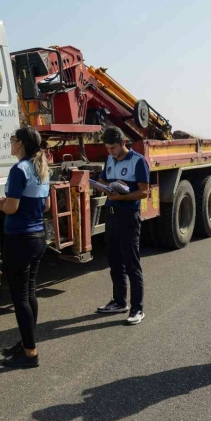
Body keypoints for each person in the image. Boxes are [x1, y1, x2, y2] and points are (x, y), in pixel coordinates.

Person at [0, 126, 51, 369]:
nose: (10, 142)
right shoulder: (41, 169)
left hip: (20, 238)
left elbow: (12, 208)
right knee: (29, 293)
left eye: (13, 139)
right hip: (37, 238)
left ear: (21, 144)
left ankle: (30, 354)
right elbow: (45, 206)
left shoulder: (19, 169)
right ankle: (28, 343)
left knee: (20, 298)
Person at [92, 126, 150, 325]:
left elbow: (144, 192)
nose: (111, 152)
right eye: (108, 148)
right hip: (112, 215)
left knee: (131, 264)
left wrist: (122, 196)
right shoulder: (109, 159)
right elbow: (102, 178)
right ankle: (119, 302)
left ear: (123, 143)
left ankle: (137, 309)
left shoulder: (138, 161)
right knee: (114, 262)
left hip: (128, 215)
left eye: (114, 148)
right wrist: (101, 185)